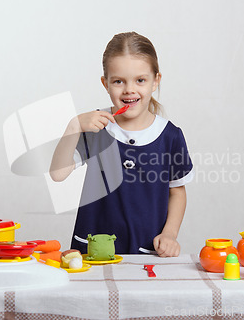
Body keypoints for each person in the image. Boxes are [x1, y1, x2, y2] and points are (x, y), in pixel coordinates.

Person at [50, 32, 193, 257]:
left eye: (140, 80)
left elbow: (177, 191)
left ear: (156, 81)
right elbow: (58, 174)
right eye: (118, 81)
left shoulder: (170, 136)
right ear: (105, 84)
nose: (129, 90)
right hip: (93, 249)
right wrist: (73, 126)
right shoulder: (95, 126)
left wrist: (170, 234)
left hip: (146, 249)